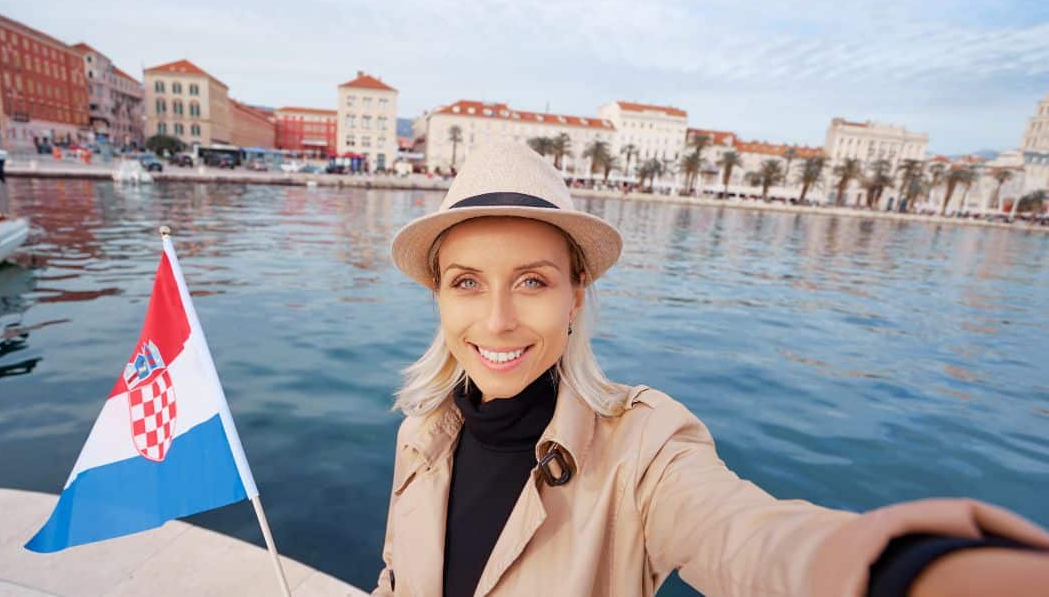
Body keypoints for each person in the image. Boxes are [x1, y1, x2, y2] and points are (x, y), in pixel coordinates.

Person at [374, 144, 1049, 597]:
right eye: (466, 282)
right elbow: (396, 577)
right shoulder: (422, 432)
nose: (495, 321)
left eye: (531, 281)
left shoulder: (642, 447)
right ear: (438, 293)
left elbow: (747, 537)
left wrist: (906, 570)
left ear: (576, 293)